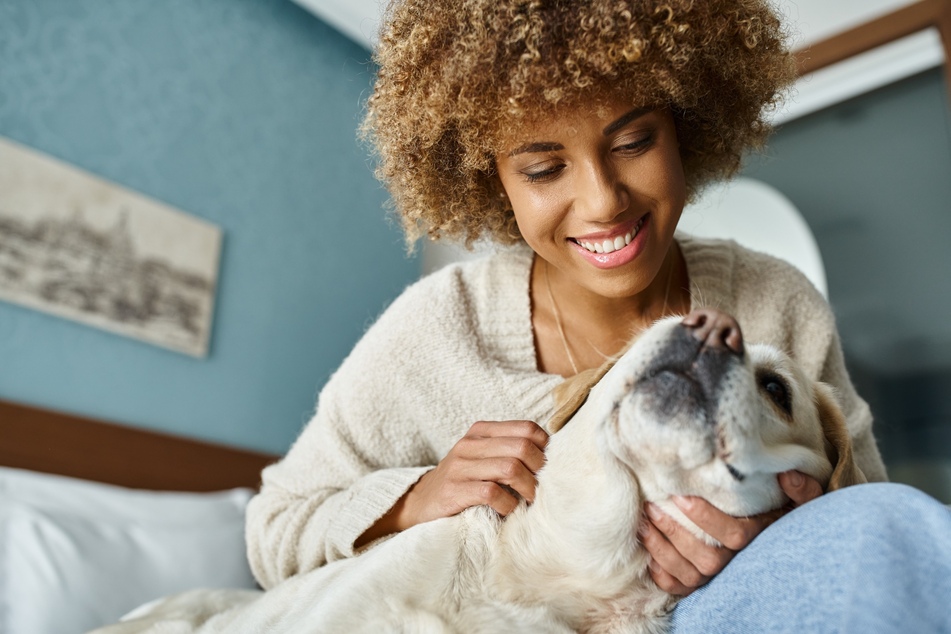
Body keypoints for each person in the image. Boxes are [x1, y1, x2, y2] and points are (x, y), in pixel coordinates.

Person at [246, 0, 951, 630]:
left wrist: (775, 533)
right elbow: (273, 528)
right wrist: (415, 498)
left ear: (685, 125)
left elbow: (862, 511)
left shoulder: (776, 302)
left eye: (632, 142)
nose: (603, 201)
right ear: (490, 180)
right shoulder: (437, 328)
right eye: (544, 168)